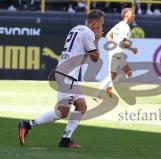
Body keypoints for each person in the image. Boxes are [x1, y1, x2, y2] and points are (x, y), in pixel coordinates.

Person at [18, 9, 104, 148]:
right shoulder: (88, 33)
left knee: (81, 106)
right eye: (101, 24)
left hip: (69, 74)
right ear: (94, 23)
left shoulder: (75, 28)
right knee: (62, 112)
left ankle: (65, 139)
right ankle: (27, 125)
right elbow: (95, 58)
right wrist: (98, 39)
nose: (101, 28)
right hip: (67, 75)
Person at [93, 8, 138, 101]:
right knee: (115, 75)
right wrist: (132, 48)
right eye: (132, 14)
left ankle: (108, 88)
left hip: (115, 51)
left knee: (128, 73)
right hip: (117, 52)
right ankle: (97, 94)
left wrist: (113, 43)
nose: (134, 15)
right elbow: (122, 43)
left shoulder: (119, 24)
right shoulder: (125, 27)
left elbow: (108, 35)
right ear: (126, 15)